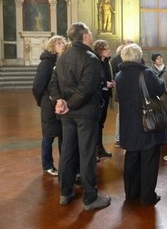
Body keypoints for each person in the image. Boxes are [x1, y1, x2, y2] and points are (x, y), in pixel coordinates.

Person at [50, 22, 111, 211]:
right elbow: (87, 89)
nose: (92, 35)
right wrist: (68, 104)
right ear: (84, 36)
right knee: (86, 154)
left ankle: (65, 192)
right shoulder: (90, 58)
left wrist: (60, 100)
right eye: (90, 33)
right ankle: (90, 198)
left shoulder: (62, 57)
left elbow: (53, 85)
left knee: (67, 152)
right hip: (84, 113)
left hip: (68, 115)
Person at [115, 43, 167, 205]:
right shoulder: (145, 73)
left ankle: (131, 194)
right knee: (149, 161)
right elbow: (160, 88)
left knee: (131, 159)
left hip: (128, 124)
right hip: (146, 123)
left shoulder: (119, 75)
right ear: (139, 57)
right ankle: (147, 197)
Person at [32, 35, 66, 176]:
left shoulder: (60, 61)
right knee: (49, 136)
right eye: (59, 43)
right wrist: (43, 101)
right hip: (49, 104)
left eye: (63, 43)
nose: (62, 45)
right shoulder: (46, 63)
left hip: (59, 103)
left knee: (62, 134)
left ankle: (64, 164)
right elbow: (37, 86)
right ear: (52, 46)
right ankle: (47, 165)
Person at [93, 39, 114, 158]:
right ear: (100, 50)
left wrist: (111, 83)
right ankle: (95, 149)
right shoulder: (95, 62)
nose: (109, 50)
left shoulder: (106, 62)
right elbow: (94, 78)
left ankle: (100, 148)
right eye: (106, 48)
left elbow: (107, 76)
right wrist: (105, 83)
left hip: (105, 95)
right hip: (97, 96)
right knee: (96, 124)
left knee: (101, 124)